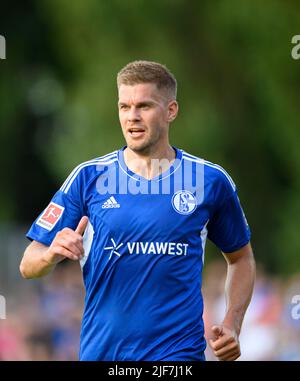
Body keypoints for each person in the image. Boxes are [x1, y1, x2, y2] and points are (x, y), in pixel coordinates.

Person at [20, 60, 256, 361]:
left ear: (171, 111)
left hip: (178, 355)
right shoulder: (88, 178)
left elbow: (241, 258)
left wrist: (233, 324)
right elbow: (28, 265)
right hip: (104, 355)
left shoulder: (208, 181)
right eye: (124, 107)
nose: (132, 117)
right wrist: (50, 254)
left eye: (144, 106)